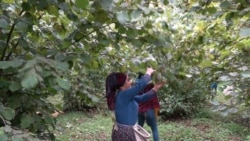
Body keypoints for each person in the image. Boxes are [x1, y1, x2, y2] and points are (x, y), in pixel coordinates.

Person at [105, 68, 165, 141]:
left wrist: (155, 88)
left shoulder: (127, 96)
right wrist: (148, 72)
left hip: (128, 132)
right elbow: (140, 85)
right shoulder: (123, 95)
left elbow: (142, 98)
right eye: (128, 80)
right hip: (124, 134)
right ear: (122, 85)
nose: (131, 82)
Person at [136, 73, 161, 141]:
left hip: (140, 110)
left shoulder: (137, 84)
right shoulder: (152, 84)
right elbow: (154, 99)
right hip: (149, 110)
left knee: (139, 130)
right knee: (154, 128)